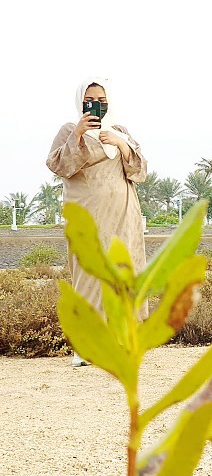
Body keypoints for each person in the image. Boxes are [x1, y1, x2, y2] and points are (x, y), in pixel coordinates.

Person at [47, 78, 148, 367]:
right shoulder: (68, 130)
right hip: (88, 216)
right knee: (89, 275)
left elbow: (140, 171)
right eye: (90, 100)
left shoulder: (120, 130)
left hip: (123, 215)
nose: (96, 105)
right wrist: (78, 135)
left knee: (123, 274)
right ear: (81, 103)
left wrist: (122, 144)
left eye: (102, 101)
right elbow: (59, 166)